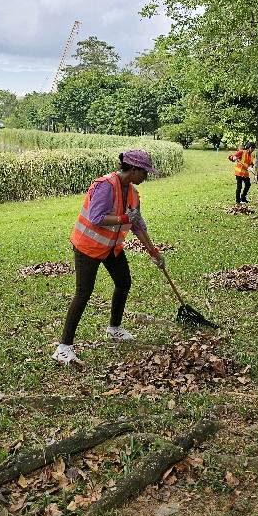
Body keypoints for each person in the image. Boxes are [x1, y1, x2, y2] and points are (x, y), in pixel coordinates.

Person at [55, 150, 165, 366]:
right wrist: (125, 217)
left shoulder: (133, 192)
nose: (146, 177)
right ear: (133, 169)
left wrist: (154, 252)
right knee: (83, 293)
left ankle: (114, 329)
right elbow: (96, 218)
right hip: (88, 246)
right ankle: (63, 347)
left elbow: (138, 226)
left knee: (124, 283)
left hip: (111, 247)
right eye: (144, 172)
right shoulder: (105, 185)